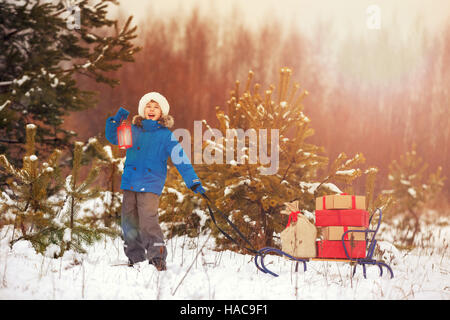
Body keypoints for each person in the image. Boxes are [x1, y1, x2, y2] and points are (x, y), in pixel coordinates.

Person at [105, 92, 205, 271]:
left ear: (162, 112)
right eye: (148, 106)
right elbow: (113, 138)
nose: (151, 110)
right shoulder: (133, 130)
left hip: (151, 185)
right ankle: (135, 258)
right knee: (128, 222)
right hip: (130, 183)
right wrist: (118, 117)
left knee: (148, 222)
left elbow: (180, 159)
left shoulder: (166, 136)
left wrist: (193, 181)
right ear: (142, 110)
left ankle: (157, 258)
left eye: (156, 107)